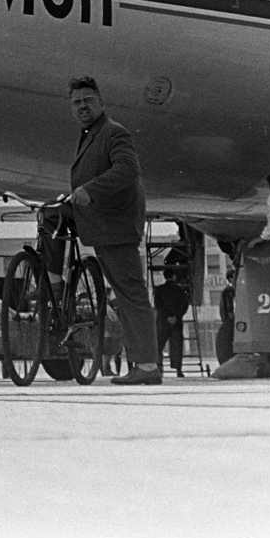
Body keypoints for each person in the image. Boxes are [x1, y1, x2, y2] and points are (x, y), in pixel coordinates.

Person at [66, 76, 162, 385]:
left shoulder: (113, 132)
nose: (82, 106)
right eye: (77, 102)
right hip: (104, 228)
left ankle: (147, 366)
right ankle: (142, 364)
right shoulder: (92, 134)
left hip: (116, 227)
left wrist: (90, 190)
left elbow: (127, 169)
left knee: (132, 296)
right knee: (125, 296)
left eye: (88, 101)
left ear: (101, 103)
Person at [152, 246, 191, 377]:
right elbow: (184, 305)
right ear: (174, 276)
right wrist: (176, 316)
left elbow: (158, 305)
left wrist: (167, 316)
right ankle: (178, 369)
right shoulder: (180, 290)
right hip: (176, 322)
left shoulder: (159, 290)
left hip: (163, 321)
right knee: (177, 346)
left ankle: (159, 367)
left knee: (159, 345)